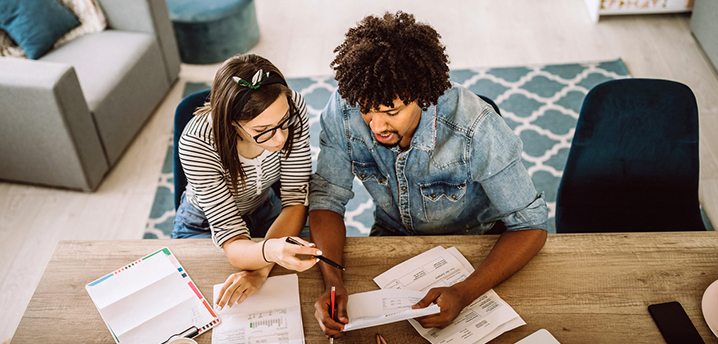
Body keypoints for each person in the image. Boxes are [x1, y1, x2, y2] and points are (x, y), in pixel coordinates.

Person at [308, 12, 549, 337]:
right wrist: (333, 281)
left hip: (473, 242)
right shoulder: (343, 109)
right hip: (390, 234)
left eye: (391, 112)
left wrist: (465, 292)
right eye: (367, 108)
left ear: (423, 97)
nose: (376, 126)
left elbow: (531, 225)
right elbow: (327, 199)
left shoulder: (475, 126)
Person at [172, 54, 321, 309]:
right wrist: (271, 252)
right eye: (263, 131)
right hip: (204, 223)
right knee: (201, 302)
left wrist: (260, 271)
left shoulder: (292, 104)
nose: (280, 138)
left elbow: (296, 198)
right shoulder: (197, 143)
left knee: (315, 273)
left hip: (265, 207)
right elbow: (232, 238)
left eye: (284, 122)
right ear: (232, 123)